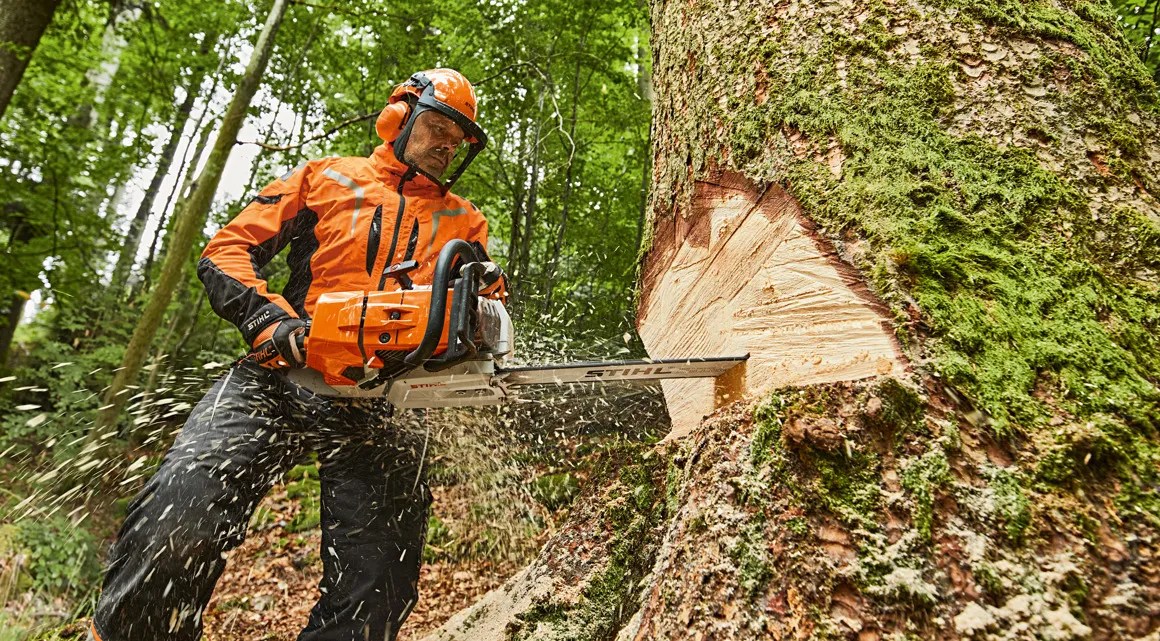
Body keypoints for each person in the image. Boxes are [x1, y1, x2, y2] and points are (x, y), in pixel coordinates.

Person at [90, 68, 496, 641]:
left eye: (456, 141)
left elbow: (485, 309)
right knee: (177, 519)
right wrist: (273, 324)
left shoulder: (466, 222)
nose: (444, 146)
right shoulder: (326, 177)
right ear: (397, 119)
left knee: (377, 584)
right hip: (277, 379)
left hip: (386, 406)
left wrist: (469, 337)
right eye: (435, 128)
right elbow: (227, 249)